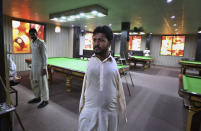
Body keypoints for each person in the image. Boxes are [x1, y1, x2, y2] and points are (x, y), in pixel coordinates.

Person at [78, 25, 127, 131]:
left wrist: (121, 108)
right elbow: (85, 86)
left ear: (109, 43)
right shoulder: (91, 62)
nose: (96, 43)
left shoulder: (113, 63)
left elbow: (118, 87)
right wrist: (82, 107)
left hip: (109, 113)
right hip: (89, 112)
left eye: (101, 40)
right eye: (94, 40)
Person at [28, 28, 49, 108]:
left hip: (41, 67)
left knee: (43, 84)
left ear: (36, 34)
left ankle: (45, 100)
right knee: (34, 82)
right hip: (34, 66)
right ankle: (37, 97)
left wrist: (44, 68)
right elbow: (34, 55)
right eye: (30, 34)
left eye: (33, 34)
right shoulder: (32, 42)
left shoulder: (41, 43)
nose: (32, 36)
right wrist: (31, 64)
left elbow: (45, 56)